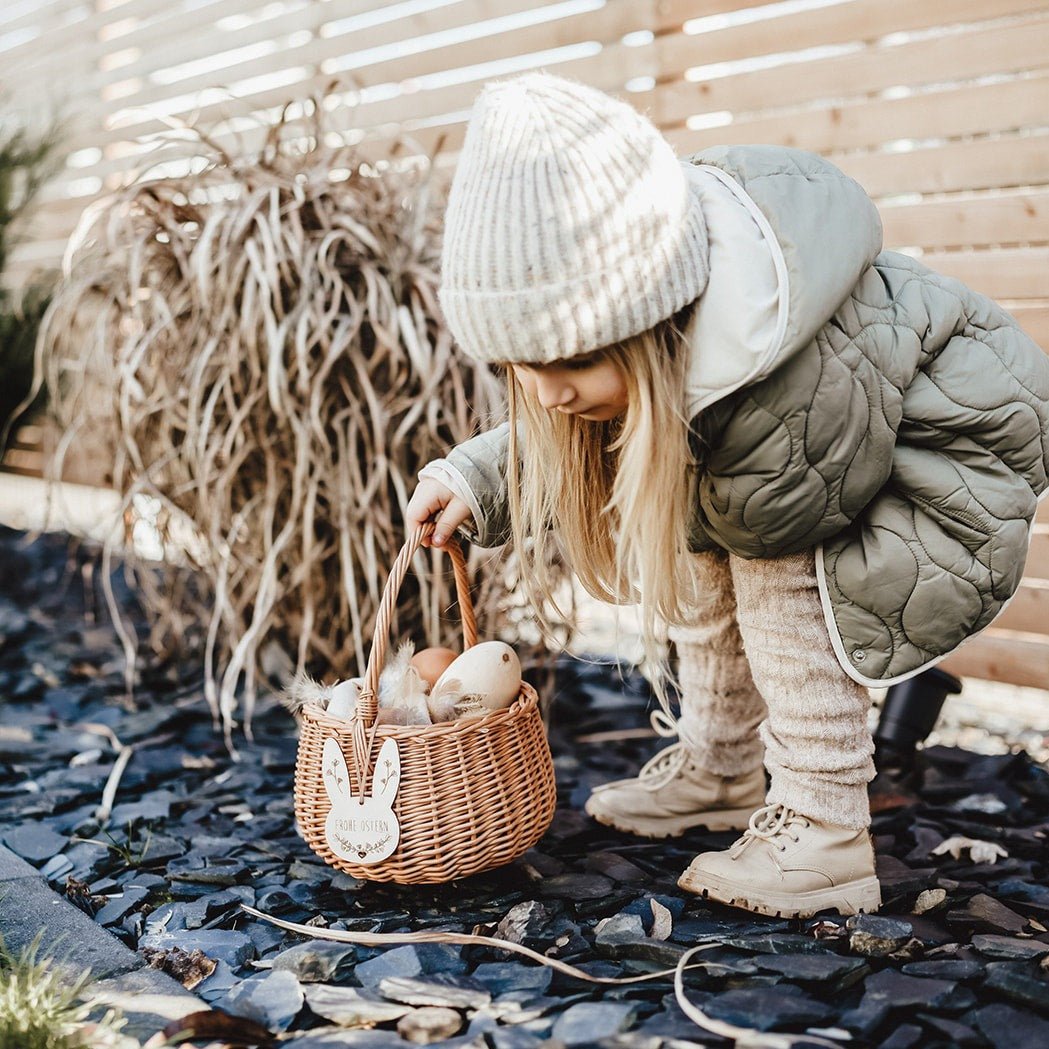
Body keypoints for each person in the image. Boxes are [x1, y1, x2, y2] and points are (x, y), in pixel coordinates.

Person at [404, 70, 1049, 919]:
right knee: (701, 536)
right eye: (524, 368)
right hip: (816, 456)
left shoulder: (769, 358)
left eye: (573, 364)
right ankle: (722, 765)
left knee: (774, 574)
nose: (548, 393)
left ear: (653, 319)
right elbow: (573, 432)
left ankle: (823, 827)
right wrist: (477, 475)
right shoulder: (662, 354)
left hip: (940, 459)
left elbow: (781, 519)